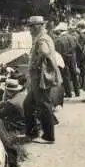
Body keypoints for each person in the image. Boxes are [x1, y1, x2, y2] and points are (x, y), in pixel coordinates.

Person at [21, 16, 62, 144]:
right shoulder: (44, 37)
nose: (30, 30)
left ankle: (48, 136)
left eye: (32, 27)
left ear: (39, 26)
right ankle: (31, 132)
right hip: (39, 77)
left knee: (44, 104)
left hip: (41, 77)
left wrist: (36, 64)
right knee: (28, 104)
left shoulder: (41, 39)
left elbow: (44, 52)